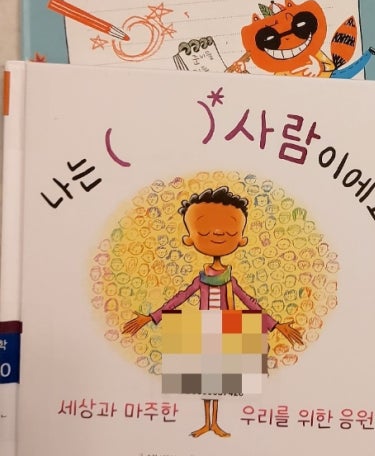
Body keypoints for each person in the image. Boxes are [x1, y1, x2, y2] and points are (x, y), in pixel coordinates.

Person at [122, 186, 302, 438]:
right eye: (205, 232)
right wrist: (152, 317)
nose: (217, 234)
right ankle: (207, 422)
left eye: (229, 232)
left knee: (220, 382)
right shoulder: (201, 279)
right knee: (205, 381)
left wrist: (275, 325)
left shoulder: (230, 279)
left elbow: (250, 302)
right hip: (203, 332)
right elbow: (180, 298)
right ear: (189, 239)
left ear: (241, 239)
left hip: (229, 332)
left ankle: (214, 422)